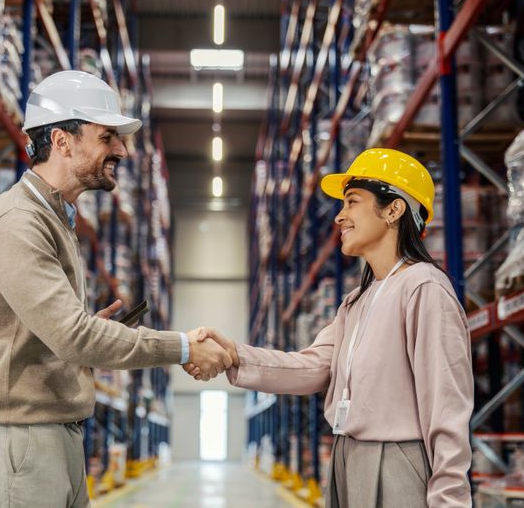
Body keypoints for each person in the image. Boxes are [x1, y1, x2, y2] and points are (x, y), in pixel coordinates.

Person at [0, 70, 232, 508]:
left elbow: (59, 335)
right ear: (63, 141)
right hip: (19, 443)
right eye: (107, 137)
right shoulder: (16, 223)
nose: (121, 150)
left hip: (50, 435)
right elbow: (73, 338)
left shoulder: (54, 221)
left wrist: (87, 332)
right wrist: (182, 347)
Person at [186, 148, 474, 508]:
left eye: (352, 202)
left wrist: (450, 502)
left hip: (398, 466)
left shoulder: (424, 289)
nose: (340, 217)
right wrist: (233, 354)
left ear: (394, 209)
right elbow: (313, 367)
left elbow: (447, 409)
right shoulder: (355, 302)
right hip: (346, 459)